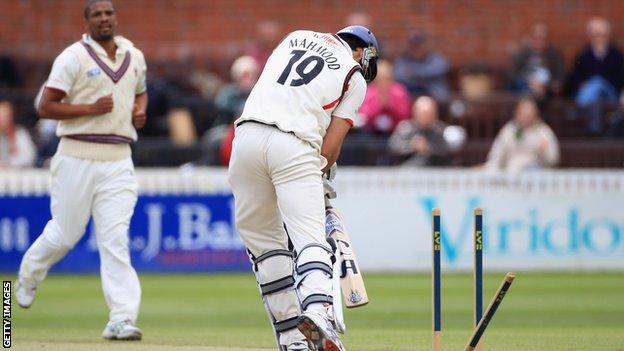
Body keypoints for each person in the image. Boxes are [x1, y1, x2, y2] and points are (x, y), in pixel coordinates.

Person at [228, 26, 379, 351]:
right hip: (294, 144)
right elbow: (330, 148)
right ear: (362, 53)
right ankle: (318, 309)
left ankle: (293, 340)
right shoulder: (355, 75)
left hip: (245, 140)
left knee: (267, 249)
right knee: (311, 238)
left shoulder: (295, 37)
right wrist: (322, 170)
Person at [15, 0, 147, 341]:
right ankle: (29, 274)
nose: (105, 19)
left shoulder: (133, 54)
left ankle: (121, 318)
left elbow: (141, 92)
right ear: (86, 22)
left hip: (119, 158)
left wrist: (139, 112)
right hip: (76, 155)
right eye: (97, 15)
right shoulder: (72, 57)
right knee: (65, 234)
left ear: (115, 17)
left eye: (109, 13)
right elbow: (45, 106)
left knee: (115, 240)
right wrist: (91, 108)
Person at [567, 17, 624, 133]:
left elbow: (620, 78)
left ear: (608, 35)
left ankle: (578, 108)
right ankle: (594, 127)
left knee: (598, 83)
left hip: (611, 93)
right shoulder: (583, 55)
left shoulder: (617, 55)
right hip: (591, 96)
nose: (599, 38)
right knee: (595, 89)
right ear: (591, 36)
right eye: (596, 34)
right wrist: (582, 85)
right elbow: (574, 77)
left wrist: (601, 82)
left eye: (601, 34)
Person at [484, 97, 560, 173]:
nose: (526, 116)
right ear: (516, 113)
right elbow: (496, 155)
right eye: (523, 113)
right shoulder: (509, 130)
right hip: (511, 174)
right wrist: (488, 169)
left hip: (537, 175)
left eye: (529, 113)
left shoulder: (544, 132)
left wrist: (544, 152)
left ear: (536, 114)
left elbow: (553, 160)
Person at [388, 96, 453, 166]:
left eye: (430, 113)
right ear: (415, 112)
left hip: (436, 170)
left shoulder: (441, 130)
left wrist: (428, 148)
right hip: (406, 171)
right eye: (424, 114)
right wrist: (412, 146)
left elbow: (448, 150)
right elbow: (393, 147)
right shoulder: (405, 129)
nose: (427, 117)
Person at [509, 23, 565, 103]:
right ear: (531, 39)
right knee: (521, 88)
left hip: (545, 87)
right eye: (536, 38)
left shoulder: (554, 55)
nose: (539, 41)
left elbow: (559, 77)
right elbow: (512, 73)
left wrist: (545, 85)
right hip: (525, 85)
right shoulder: (523, 53)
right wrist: (529, 81)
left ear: (547, 40)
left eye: (542, 39)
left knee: (542, 94)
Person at [394, 30, 450, 101]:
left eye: (419, 46)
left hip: (434, 97)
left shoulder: (435, 58)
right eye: (413, 46)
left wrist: (412, 72)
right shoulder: (403, 60)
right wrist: (425, 74)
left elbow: (441, 68)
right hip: (410, 96)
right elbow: (398, 75)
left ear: (425, 45)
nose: (416, 49)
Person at [359, 59, 411, 134]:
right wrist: (378, 106)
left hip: (396, 132)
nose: (383, 82)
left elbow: (405, 115)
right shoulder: (369, 92)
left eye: (386, 79)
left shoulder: (399, 91)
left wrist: (390, 106)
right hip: (372, 133)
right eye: (380, 79)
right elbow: (364, 116)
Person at [0, 100, 36, 168]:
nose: (4, 119)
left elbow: (29, 157)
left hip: (16, 174)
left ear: (11, 117)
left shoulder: (20, 133)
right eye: (1, 116)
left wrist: (8, 163)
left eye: (6, 116)